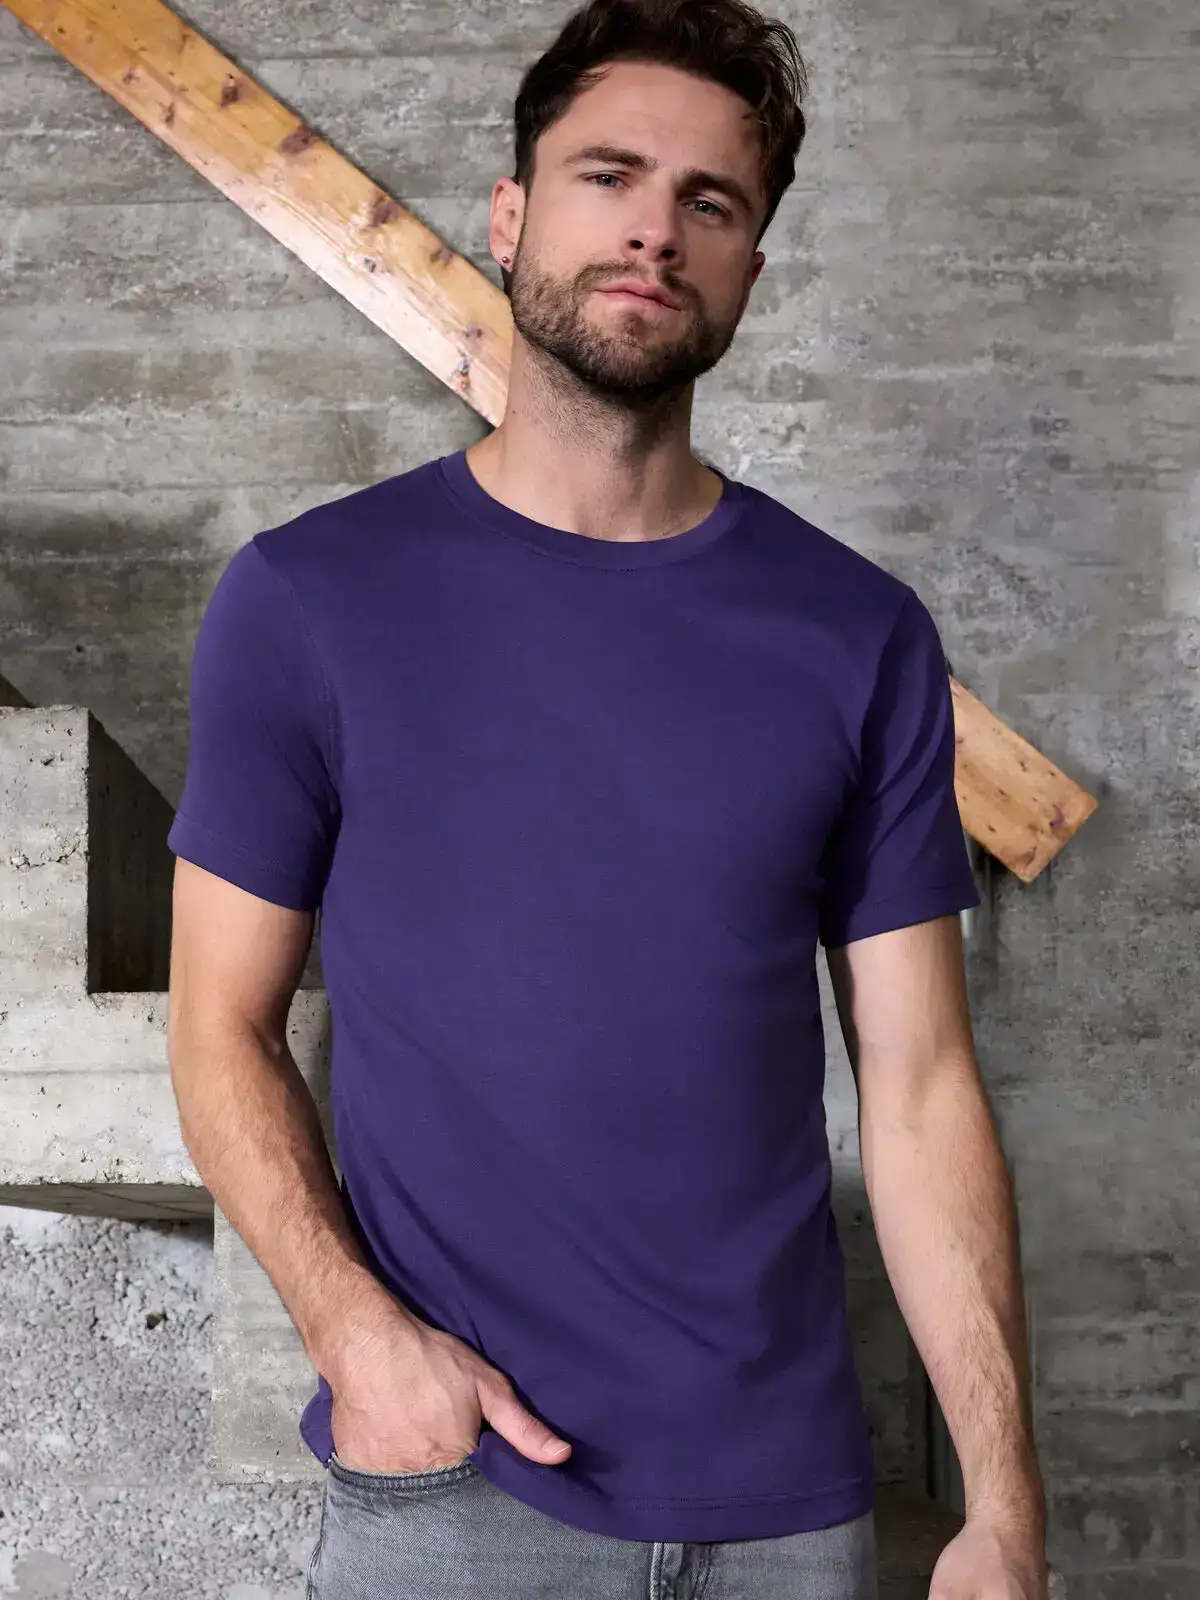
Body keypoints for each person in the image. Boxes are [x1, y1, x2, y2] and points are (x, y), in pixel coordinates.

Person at [165, 0, 1049, 1595]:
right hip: (456, 1495)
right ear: (512, 218)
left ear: (749, 272)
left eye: (709, 201)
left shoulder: (857, 635)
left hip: (791, 1514)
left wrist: (1002, 1505)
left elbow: (920, 1087)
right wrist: (360, 1341)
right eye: (609, 176)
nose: (654, 229)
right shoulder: (312, 601)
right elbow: (218, 1027)